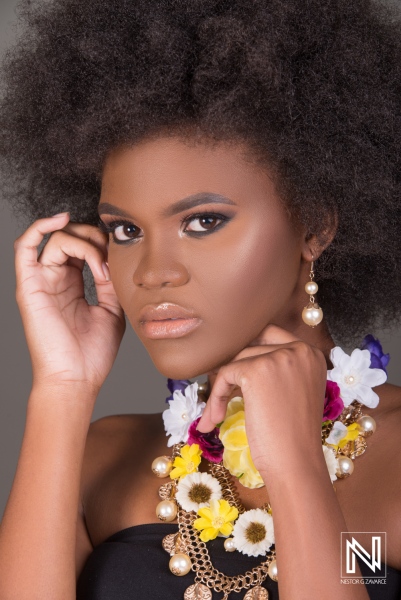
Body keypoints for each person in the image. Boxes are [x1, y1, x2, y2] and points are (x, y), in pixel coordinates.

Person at [0, 0, 400, 598]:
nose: (153, 272)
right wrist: (63, 386)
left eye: (204, 221)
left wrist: (294, 465)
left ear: (314, 225)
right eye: (126, 231)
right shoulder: (100, 457)